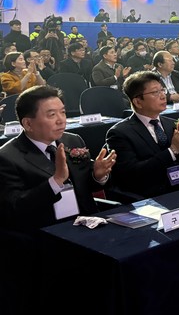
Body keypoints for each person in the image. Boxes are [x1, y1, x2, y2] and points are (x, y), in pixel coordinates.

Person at [0, 86, 116, 230]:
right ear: (28, 124)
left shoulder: (73, 140)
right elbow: (14, 207)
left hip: (88, 222)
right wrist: (56, 181)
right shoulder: (7, 157)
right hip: (46, 230)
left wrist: (97, 176)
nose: (61, 120)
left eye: (63, 112)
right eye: (52, 115)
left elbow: (86, 185)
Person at [106, 72, 179, 199]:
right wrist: (172, 151)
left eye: (162, 90)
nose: (163, 96)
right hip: (149, 197)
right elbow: (131, 174)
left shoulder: (173, 124)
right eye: (155, 92)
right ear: (138, 102)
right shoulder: (119, 133)